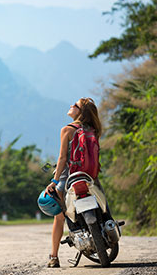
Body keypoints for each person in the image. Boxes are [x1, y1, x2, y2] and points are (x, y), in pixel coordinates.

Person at [44, 97, 102, 268]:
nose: (71, 106)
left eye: (75, 105)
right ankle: (109, 226)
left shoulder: (67, 130)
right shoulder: (93, 129)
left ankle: (54, 257)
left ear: (80, 111)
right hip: (89, 176)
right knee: (102, 205)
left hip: (68, 178)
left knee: (59, 218)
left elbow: (62, 158)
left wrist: (54, 181)